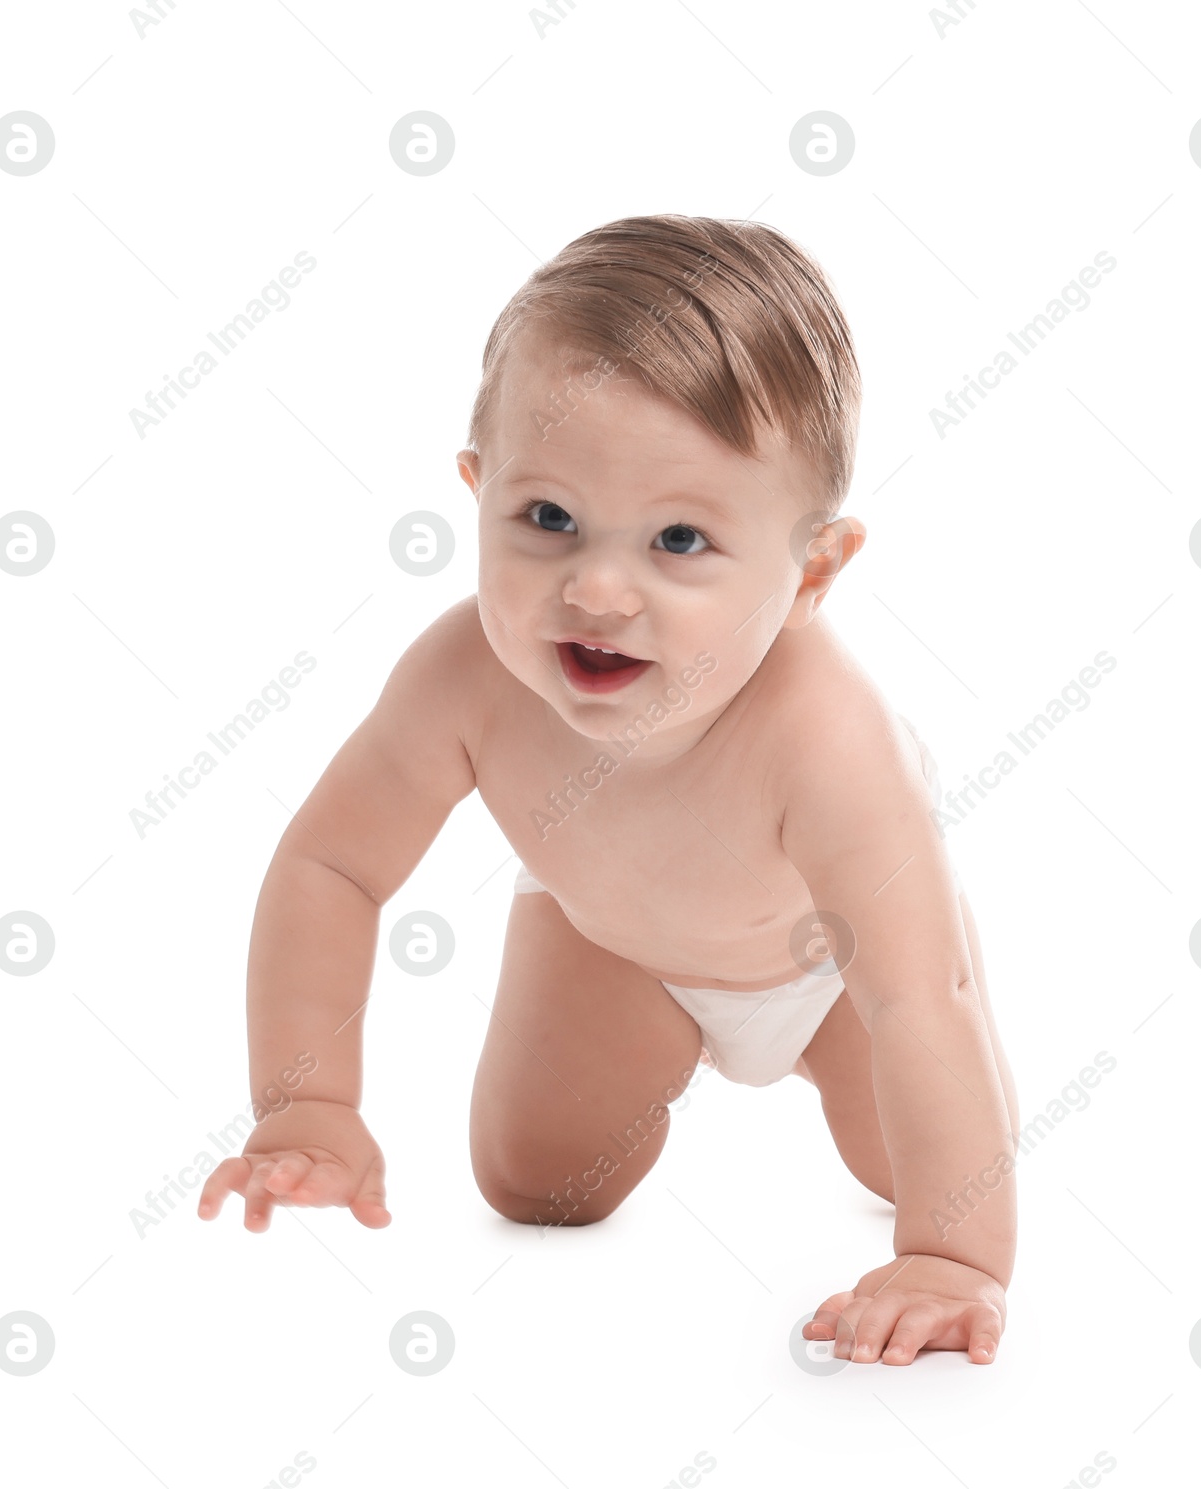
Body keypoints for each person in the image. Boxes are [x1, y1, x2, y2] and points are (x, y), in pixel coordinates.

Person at [198, 213, 1020, 1367]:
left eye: (678, 539)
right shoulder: (463, 680)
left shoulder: (825, 740)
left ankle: (923, 1178)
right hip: (612, 938)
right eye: (547, 519)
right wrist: (309, 1100)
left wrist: (954, 1255)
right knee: (537, 1184)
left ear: (810, 574)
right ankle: (653, 1036)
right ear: (477, 491)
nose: (595, 588)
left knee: (918, 1160)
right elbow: (332, 866)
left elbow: (921, 993)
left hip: (837, 966)